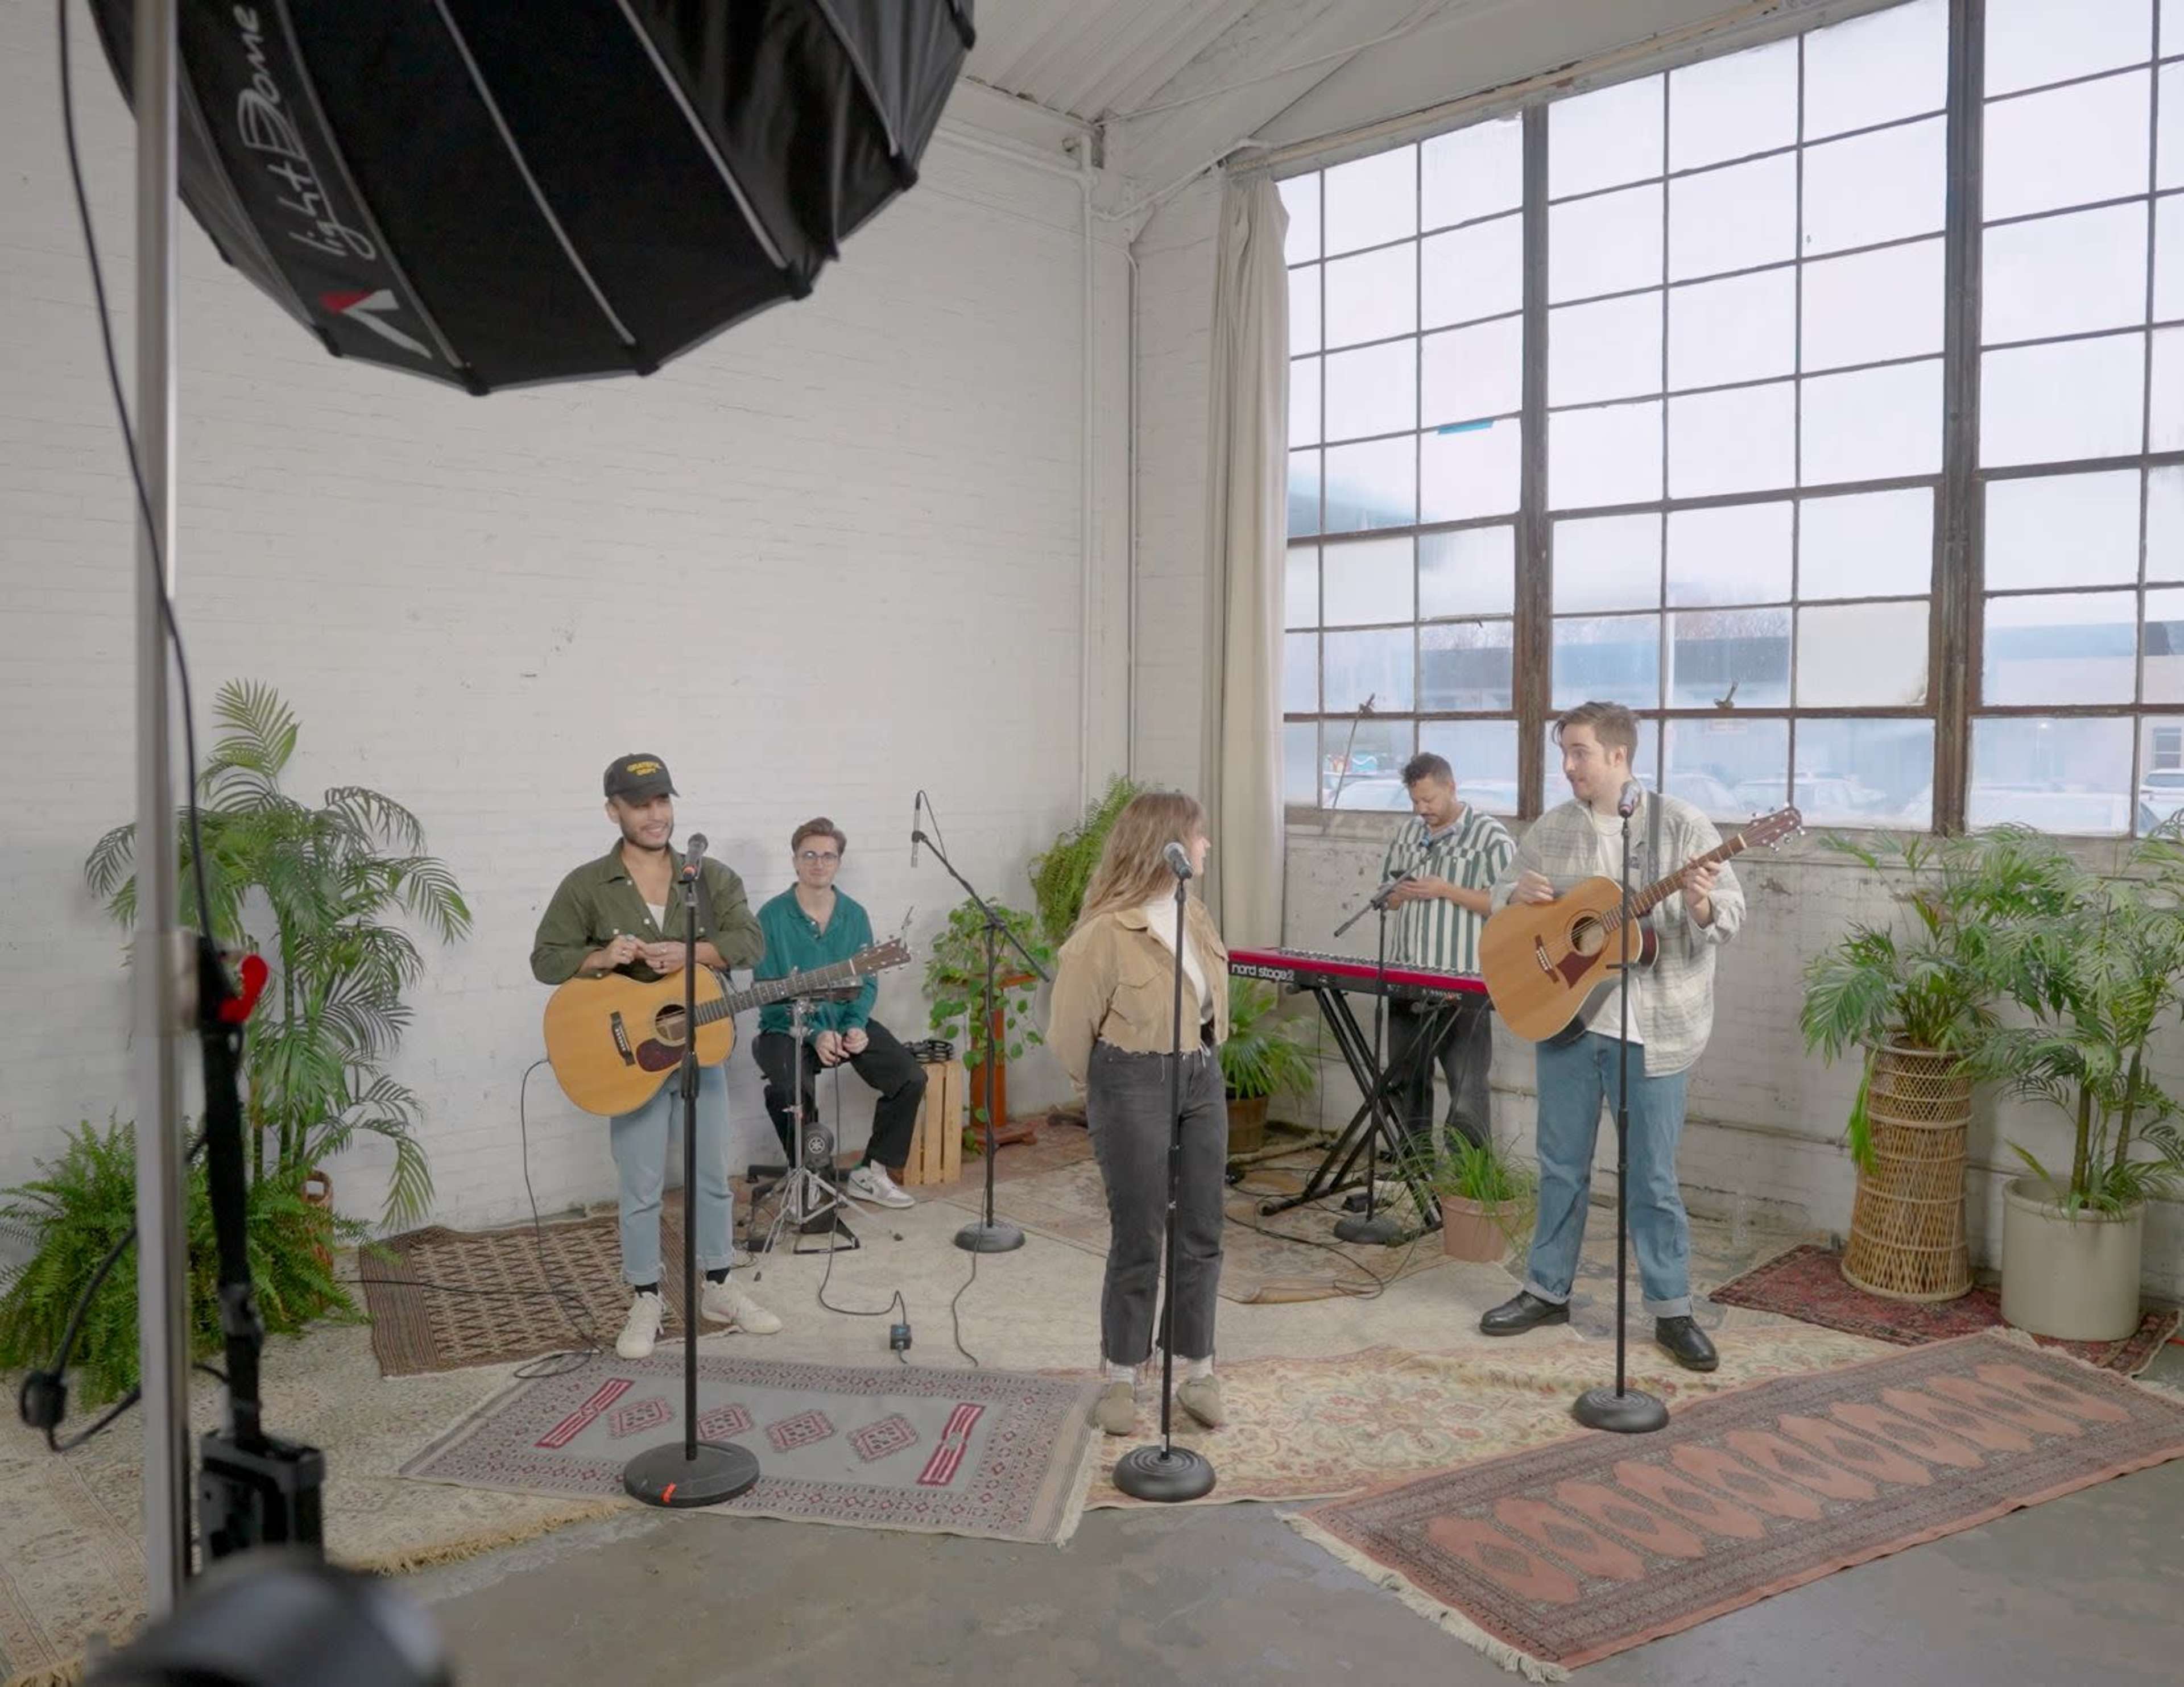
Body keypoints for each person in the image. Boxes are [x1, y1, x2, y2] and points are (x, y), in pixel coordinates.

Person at [1479, 703, 1743, 1372]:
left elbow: (1729, 915)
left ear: (1618, 755)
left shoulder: (1680, 824)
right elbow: (1502, 893)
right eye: (1564, 753)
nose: (1568, 766)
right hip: (1567, 1022)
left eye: (1580, 753)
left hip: (1655, 1032)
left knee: (1651, 1178)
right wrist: (1514, 894)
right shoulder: (1554, 828)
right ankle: (1547, 1291)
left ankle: (1672, 1310)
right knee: (1560, 1166)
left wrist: (1701, 902)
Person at [530, 754, 781, 1359]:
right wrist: (601, 958)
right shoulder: (586, 885)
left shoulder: (709, 877)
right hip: (628, 1061)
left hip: (700, 1048)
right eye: (640, 804)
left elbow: (751, 943)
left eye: (663, 801)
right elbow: (546, 959)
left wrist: (694, 952)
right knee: (641, 1185)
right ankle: (646, 1297)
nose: (655, 815)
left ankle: (718, 1286)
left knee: (711, 1175)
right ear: (613, 810)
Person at [1048, 792, 1231, 1437]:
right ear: (1168, 844)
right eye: (1199, 836)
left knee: (1202, 1227)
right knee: (1140, 1232)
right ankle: (1122, 1377)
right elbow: (1069, 1034)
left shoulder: (1195, 914)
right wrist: (1105, 1089)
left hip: (1201, 1074)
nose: (1207, 846)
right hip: (1130, 1080)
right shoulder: (1104, 934)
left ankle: (1198, 1370)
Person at [750, 818, 925, 1210]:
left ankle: (871, 1172)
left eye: (828, 856)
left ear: (839, 862)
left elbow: (867, 982)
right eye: (809, 855)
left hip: (845, 1021)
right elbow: (767, 994)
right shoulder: (771, 916)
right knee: (788, 1091)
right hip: (788, 1027)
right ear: (795, 861)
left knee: (910, 1077)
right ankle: (809, 1175)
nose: (819, 863)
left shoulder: (854, 915)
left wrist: (855, 1026)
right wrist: (814, 1034)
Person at [1377, 751, 1515, 1167]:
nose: (1422, 809)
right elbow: (1388, 897)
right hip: (1407, 979)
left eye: (1429, 800)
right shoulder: (1408, 833)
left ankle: (1468, 1178)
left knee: (1467, 1087)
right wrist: (1395, 895)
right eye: (1415, 801)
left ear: (1452, 787)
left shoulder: (1491, 838)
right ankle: (1413, 1168)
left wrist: (1445, 890)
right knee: (1406, 1079)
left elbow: (1508, 905)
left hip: (1463, 985)